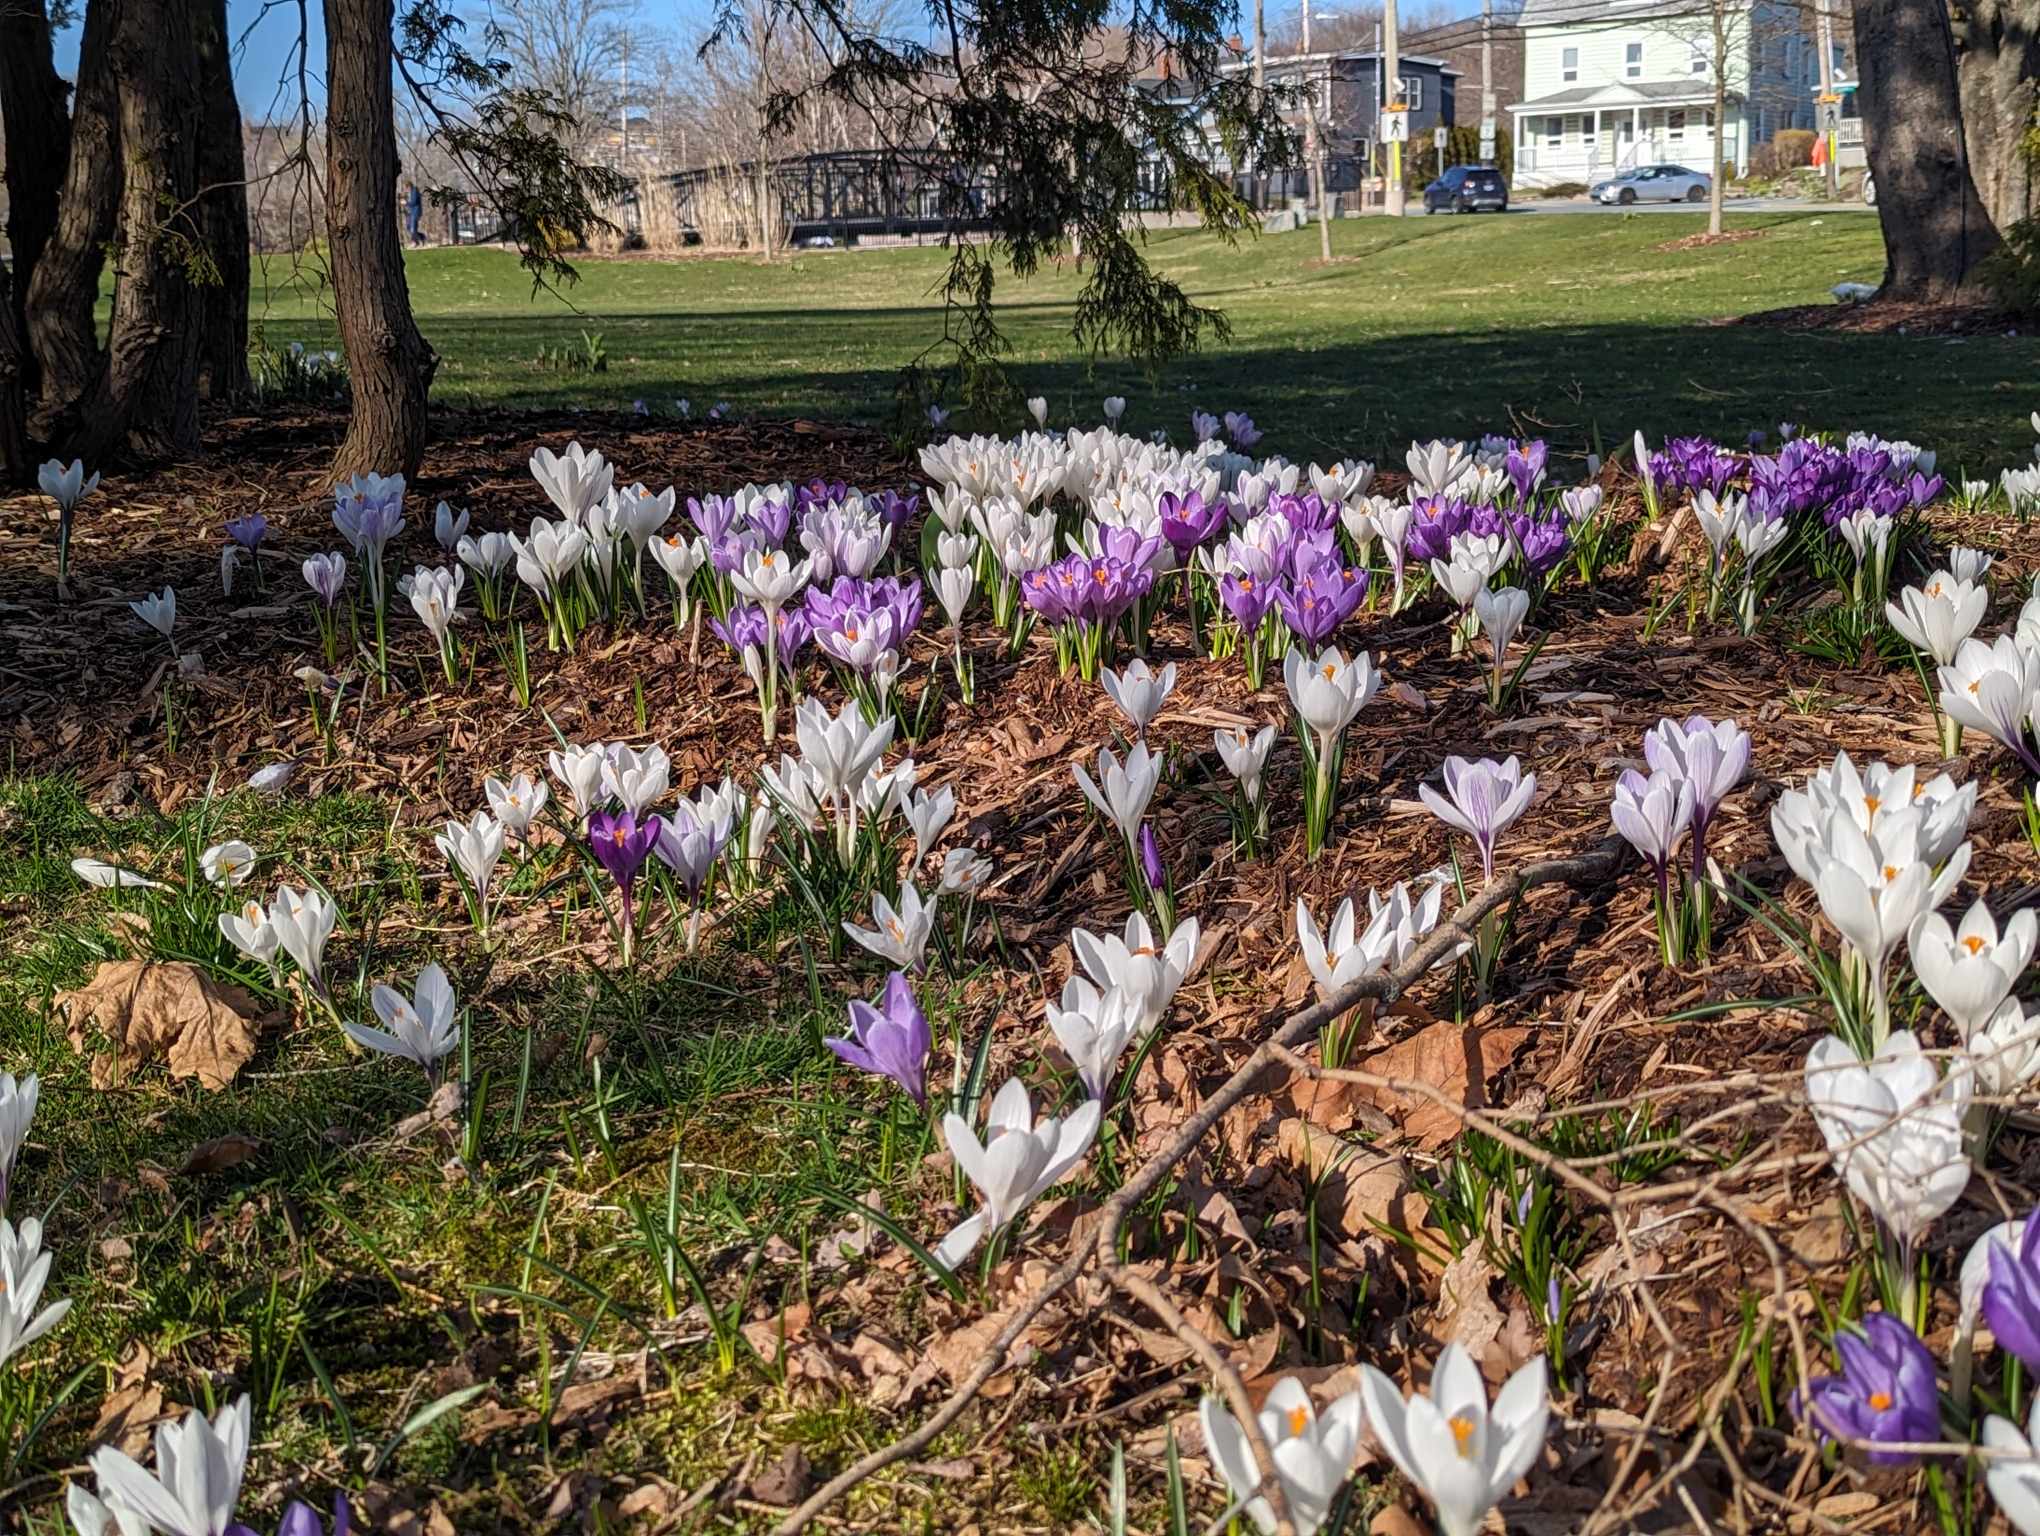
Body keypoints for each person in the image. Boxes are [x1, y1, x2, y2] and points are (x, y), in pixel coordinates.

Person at [404, 180, 424, 246]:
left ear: (409, 186)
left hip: (415, 212)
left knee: (413, 228)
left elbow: (414, 202)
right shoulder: (410, 192)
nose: (406, 190)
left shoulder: (415, 191)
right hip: (411, 212)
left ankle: (415, 242)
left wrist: (406, 203)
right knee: (408, 227)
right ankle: (422, 237)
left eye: (406, 188)